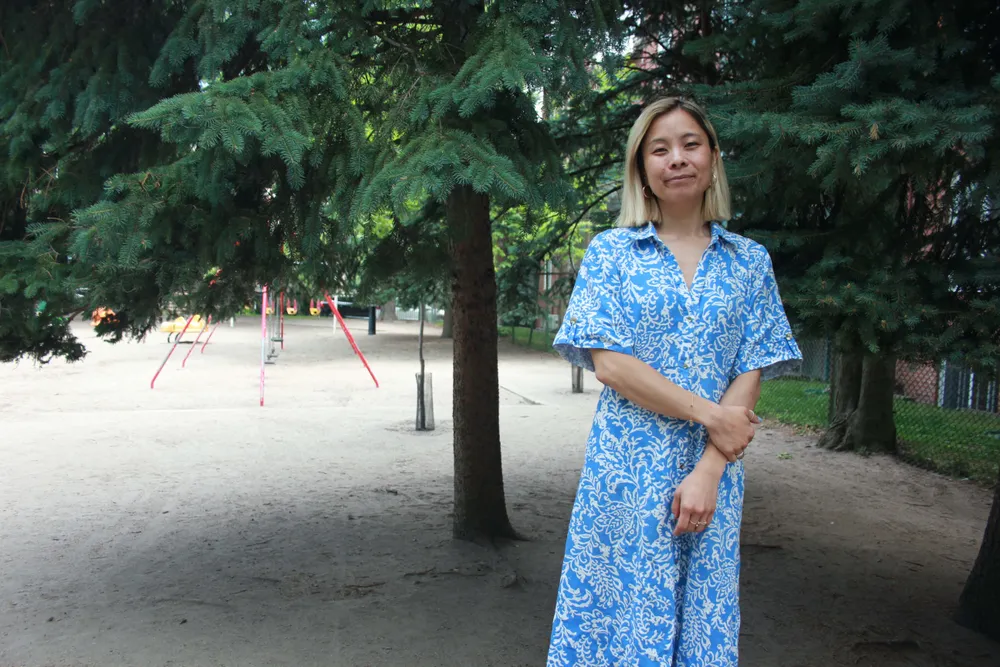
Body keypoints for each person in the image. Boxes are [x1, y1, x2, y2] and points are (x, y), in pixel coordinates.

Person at [547, 96, 802, 666]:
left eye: (690, 144)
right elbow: (609, 363)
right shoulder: (612, 253)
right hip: (625, 471)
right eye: (658, 149)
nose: (676, 158)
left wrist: (709, 471)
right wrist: (712, 415)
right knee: (614, 618)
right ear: (642, 170)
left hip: (712, 474)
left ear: (713, 157)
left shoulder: (749, 261)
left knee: (700, 616)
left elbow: (751, 366)